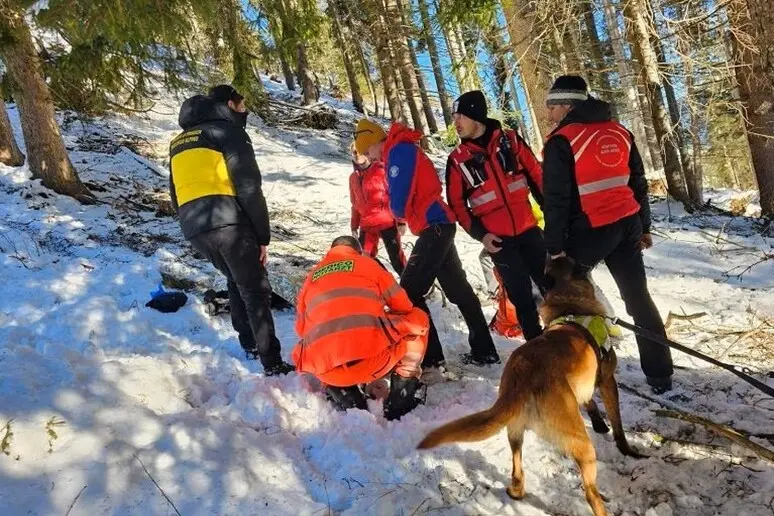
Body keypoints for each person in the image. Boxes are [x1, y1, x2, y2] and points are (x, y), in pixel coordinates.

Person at [541, 75, 673, 393]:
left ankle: (577, 369)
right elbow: (637, 183)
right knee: (638, 299)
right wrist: (644, 227)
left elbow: (556, 201)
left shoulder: (561, 141)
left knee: (564, 301)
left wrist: (555, 247)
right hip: (627, 224)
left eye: (551, 106)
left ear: (567, 105)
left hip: (588, 231)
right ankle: (660, 375)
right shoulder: (620, 132)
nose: (548, 114)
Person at [169, 84, 293, 376]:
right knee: (255, 289)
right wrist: (263, 236)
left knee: (237, 281)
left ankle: (249, 343)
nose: (245, 110)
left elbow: (174, 192)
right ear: (228, 104)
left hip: (195, 228)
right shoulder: (229, 133)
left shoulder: (178, 142)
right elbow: (249, 187)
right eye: (241, 105)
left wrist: (190, 223)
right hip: (229, 223)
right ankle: (272, 363)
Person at [354, 118, 499, 368]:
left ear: (376, 140)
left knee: (409, 291)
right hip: (436, 226)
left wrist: (398, 213)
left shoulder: (399, 150)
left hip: (435, 227)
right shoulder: (398, 150)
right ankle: (483, 351)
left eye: (368, 150)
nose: (370, 156)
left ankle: (431, 357)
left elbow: (399, 196)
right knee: (458, 290)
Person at [445, 91, 547, 341]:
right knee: (521, 297)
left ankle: (567, 337)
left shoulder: (510, 141)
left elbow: (537, 176)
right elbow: (457, 205)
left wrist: (552, 215)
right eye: (453, 117)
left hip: (530, 230)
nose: (455, 123)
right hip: (498, 240)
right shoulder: (457, 160)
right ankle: (538, 347)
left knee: (553, 287)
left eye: (460, 116)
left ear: (476, 116)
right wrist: (482, 235)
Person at [292, 236, 429, 420]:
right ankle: (402, 391)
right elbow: (403, 306)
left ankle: (341, 389)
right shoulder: (368, 264)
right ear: (358, 252)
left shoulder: (311, 277)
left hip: (326, 370)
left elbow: (301, 330)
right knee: (418, 319)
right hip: (372, 363)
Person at [348, 143, 407, 274]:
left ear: (367, 152)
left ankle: (413, 288)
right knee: (366, 258)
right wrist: (354, 226)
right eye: (353, 153)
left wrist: (401, 220)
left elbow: (396, 195)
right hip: (366, 225)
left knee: (397, 260)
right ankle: (387, 281)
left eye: (359, 151)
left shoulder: (382, 170)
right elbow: (355, 204)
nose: (356, 155)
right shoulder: (353, 178)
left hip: (386, 221)